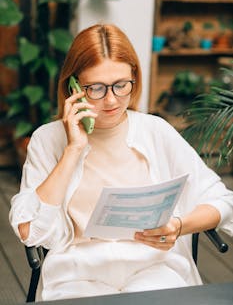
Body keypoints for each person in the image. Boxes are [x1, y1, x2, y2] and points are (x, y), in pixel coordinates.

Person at [9, 23, 233, 301]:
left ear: (133, 79)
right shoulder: (48, 139)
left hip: (153, 268)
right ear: (73, 87)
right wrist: (73, 149)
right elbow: (30, 231)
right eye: (96, 88)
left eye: (120, 85)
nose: (112, 100)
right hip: (79, 273)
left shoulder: (155, 131)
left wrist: (179, 225)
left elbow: (222, 201)